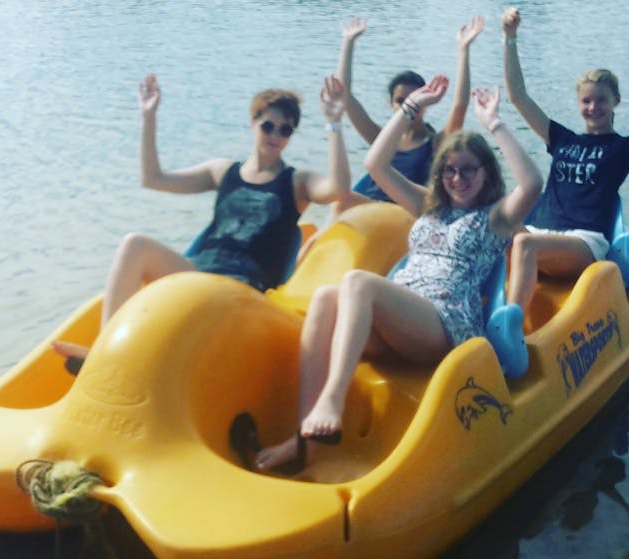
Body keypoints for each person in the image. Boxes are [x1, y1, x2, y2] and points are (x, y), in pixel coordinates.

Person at [254, 76, 543, 472]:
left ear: (486, 174)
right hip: (400, 320)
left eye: (468, 171)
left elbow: (532, 182)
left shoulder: (494, 218)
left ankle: (332, 399)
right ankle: (306, 440)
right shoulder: (428, 207)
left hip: (445, 325)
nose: (458, 180)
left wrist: (494, 123)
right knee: (325, 296)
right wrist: (412, 107)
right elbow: (375, 163)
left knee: (358, 282)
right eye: (450, 171)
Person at [52, 73, 352, 368]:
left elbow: (338, 189)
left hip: (243, 290)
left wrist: (334, 123)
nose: (275, 135)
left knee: (185, 288)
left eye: (285, 130)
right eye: (268, 126)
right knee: (134, 245)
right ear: (253, 123)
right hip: (199, 272)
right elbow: (153, 178)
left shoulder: (297, 182)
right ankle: (106, 352)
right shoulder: (223, 172)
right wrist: (148, 118)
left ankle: (116, 358)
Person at [500, 8, 629, 376]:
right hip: (541, 232)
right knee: (492, 222)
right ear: (579, 105)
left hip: (584, 241)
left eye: (601, 100)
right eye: (587, 101)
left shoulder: (621, 150)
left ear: (615, 103)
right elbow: (517, 96)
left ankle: (508, 333)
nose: (593, 107)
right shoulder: (560, 138)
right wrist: (510, 37)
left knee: (523, 245)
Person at [296, 16, 484, 262]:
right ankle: (310, 260)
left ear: (425, 101)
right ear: (391, 104)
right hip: (370, 207)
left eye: (415, 99)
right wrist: (348, 42)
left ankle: (311, 255)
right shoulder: (382, 138)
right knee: (338, 201)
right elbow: (345, 97)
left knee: (341, 204)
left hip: (405, 214)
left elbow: (459, 105)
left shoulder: (437, 144)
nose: (410, 106)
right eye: (401, 101)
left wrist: (463, 50)